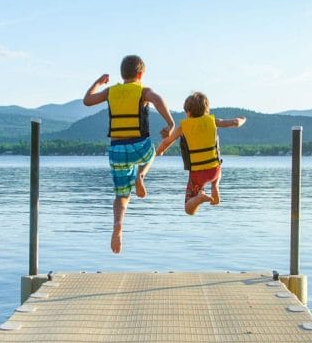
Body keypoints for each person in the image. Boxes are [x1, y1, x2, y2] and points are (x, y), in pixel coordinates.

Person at [81, 55, 177, 254]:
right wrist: (170, 123)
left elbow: (87, 100)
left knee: (122, 194)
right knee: (153, 153)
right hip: (139, 146)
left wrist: (98, 82)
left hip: (117, 149)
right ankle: (141, 175)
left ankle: (118, 225)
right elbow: (158, 100)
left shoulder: (111, 91)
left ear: (122, 74)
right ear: (141, 74)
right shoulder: (143, 91)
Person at [154, 92, 246, 216]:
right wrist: (242, 119)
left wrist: (159, 152)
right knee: (219, 165)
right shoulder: (213, 121)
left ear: (188, 112)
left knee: (188, 209)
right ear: (206, 111)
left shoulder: (183, 127)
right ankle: (215, 186)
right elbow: (234, 122)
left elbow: (166, 142)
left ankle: (199, 198)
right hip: (214, 171)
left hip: (197, 174)